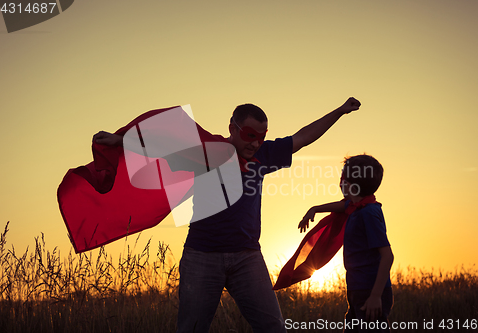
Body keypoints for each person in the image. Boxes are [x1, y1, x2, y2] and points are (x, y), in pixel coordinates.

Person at [93, 98, 361, 332]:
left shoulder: (264, 155)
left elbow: (303, 137)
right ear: (232, 128)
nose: (255, 143)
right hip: (202, 257)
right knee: (192, 329)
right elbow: (162, 147)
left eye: (261, 136)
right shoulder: (208, 152)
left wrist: (340, 111)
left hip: (247, 258)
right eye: (248, 135)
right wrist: (121, 140)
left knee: (273, 327)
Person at [298, 154, 394, 332]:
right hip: (357, 288)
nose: (340, 182)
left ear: (351, 184)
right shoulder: (357, 207)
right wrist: (315, 209)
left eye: (343, 177)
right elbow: (343, 206)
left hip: (370, 291)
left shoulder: (369, 213)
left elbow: (387, 256)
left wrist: (375, 296)